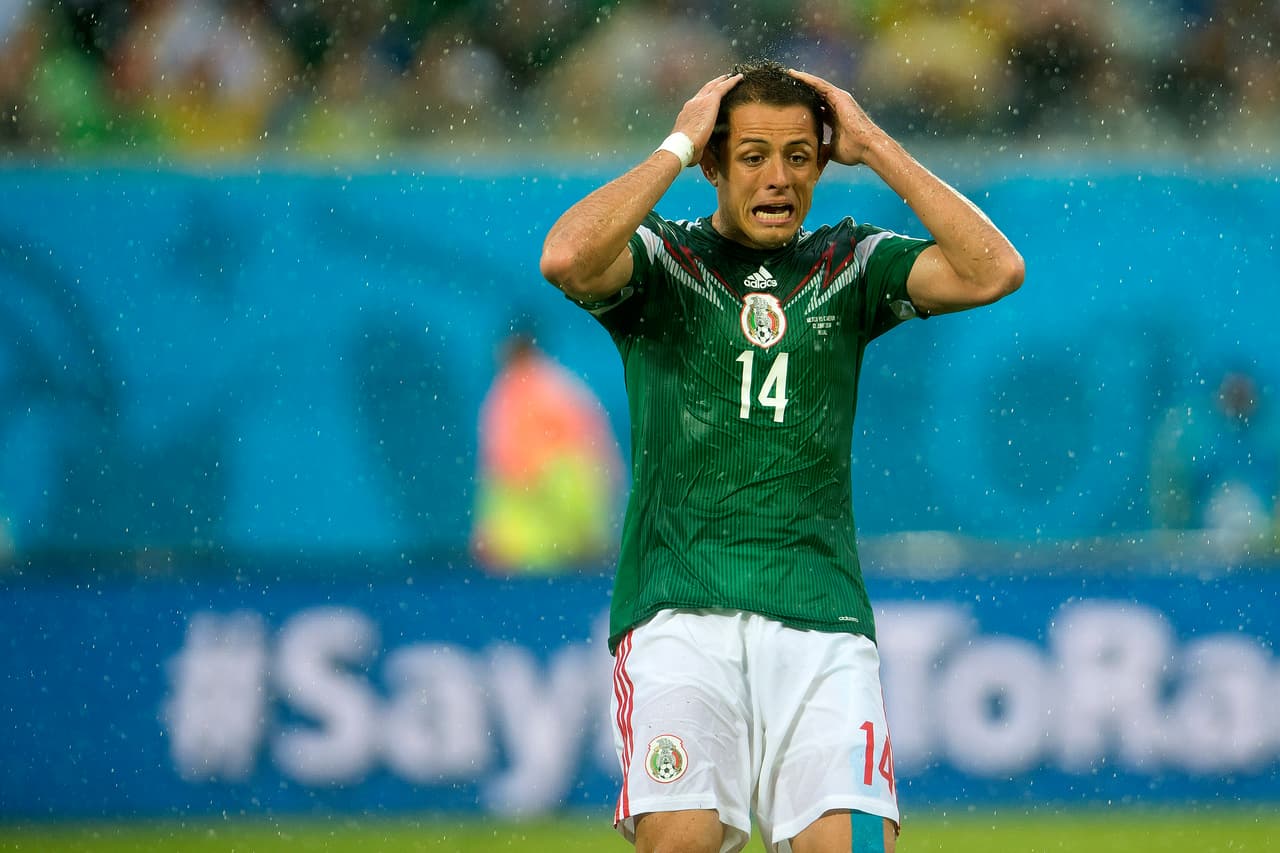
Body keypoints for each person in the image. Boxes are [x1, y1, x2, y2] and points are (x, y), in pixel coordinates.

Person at [539, 59, 1024, 853]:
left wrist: (876, 146)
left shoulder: (851, 265)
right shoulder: (662, 260)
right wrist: (674, 142)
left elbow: (994, 269)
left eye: (799, 156)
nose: (778, 178)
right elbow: (566, 257)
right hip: (680, 612)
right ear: (715, 166)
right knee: (685, 840)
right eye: (754, 155)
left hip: (821, 619)